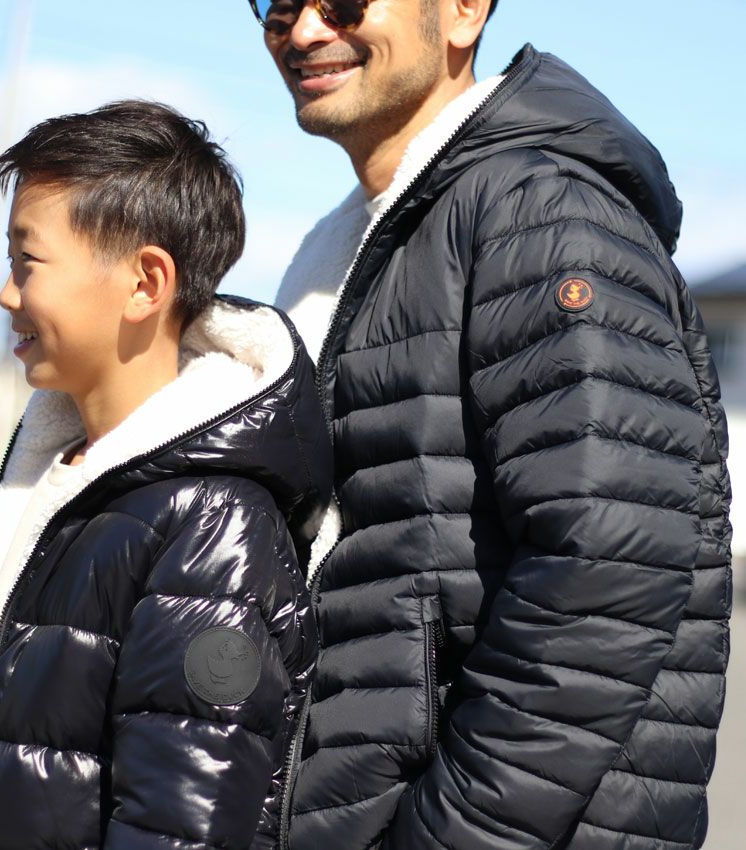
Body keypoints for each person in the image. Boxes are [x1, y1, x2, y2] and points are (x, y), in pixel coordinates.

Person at [247, 1, 733, 848]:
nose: (305, 30)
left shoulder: (544, 214)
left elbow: (606, 573)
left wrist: (451, 834)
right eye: (276, 4)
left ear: (464, 11)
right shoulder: (354, 242)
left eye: (344, 1)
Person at [0, 99, 332, 850]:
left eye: (28, 262)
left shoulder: (214, 527)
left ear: (144, 283)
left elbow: (183, 827)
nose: (7, 293)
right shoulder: (65, 478)